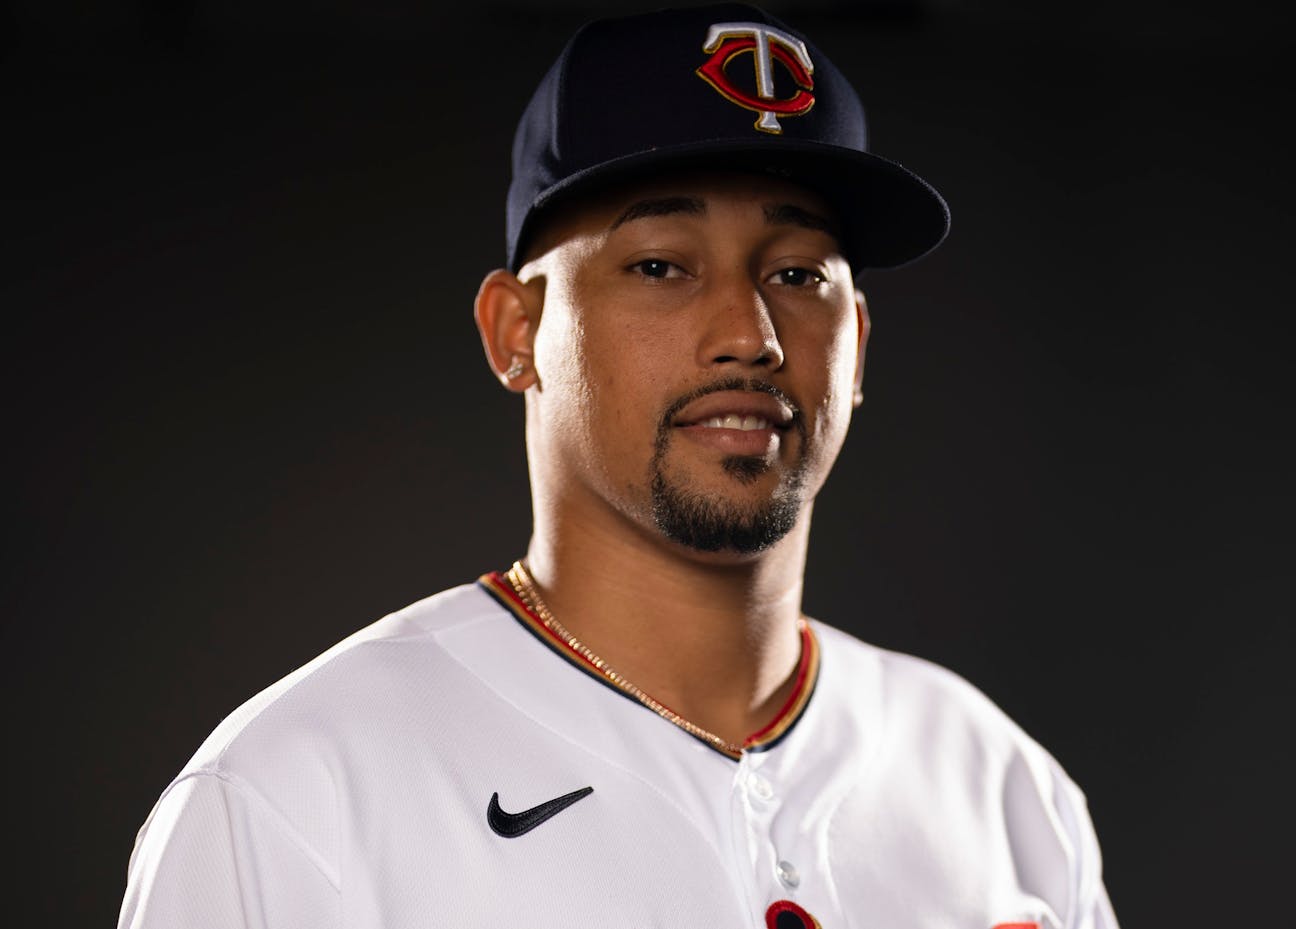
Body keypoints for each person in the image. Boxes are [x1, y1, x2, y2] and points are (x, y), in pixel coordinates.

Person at [117, 5, 1118, 928]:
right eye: (658, 264)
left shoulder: (999, 786)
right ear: (517, 330)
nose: (748, 333)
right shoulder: (299, 793)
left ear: (855, 336)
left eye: (796, 273)